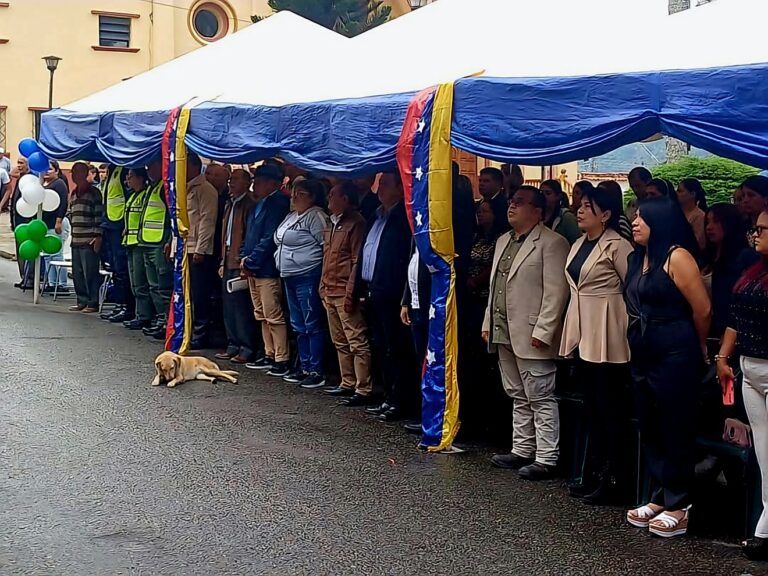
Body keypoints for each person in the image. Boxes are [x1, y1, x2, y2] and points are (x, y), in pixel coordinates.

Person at [624, 197, 711, 538]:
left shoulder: (677, 256)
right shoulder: (637, 258)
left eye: (642, 218)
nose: (635, 222)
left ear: (660, 221)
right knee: (650, 423)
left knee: (676, 425)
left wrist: (699, 345)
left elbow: (702, 309)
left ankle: (680, 503)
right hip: (643, 348)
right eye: (635, 216)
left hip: (675, 347)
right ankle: (660, 494)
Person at [484, 185, 570, 480]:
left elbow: (556, 292)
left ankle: (546, 456)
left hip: (532, 330)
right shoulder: (503, 240)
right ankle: (522, 448)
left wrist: (544, 330)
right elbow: (495, 288)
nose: (512, 206)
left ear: (538, 211)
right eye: (512, 201)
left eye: (520, 202)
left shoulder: (552, 243)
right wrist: (487, 323)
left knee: (540, 395)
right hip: (504, 328)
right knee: (517, 393)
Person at [560, 185, 634, 504]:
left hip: (608, 329)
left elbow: (631, 288)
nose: (580, 210)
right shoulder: (578, 243)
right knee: (591, 405)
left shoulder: (618, 245)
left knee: (610, 407)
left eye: (588, 206)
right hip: (582, 327)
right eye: (580, 205)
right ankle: (593, 470)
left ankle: (616, 477)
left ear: (605, 214)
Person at [716, 210, 768, 559]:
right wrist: (722, 357)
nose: (755, 233)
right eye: (755, 228)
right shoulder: (753, 270)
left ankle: (763, 530)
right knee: (763, 453)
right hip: (749, 370)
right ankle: (764, 527)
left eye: (762, 228)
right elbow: (735, 318)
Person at [358, 171, 417, 422]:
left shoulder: (403, 218)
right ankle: (387, 396)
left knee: (397, 348)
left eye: (386, 184)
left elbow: (401, 258)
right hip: (373, 289)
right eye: (379, 183)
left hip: (392, 292)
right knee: (381, 347)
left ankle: (400, 400)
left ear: (400, 189)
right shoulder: (376, 215)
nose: (380, 188)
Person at [320, 181, 373, 406]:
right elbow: (326, 256)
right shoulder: (331, 222)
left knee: (356, 340)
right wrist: (322, 286)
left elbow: (355, 260)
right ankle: (347, 381)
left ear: (345, 199)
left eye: (333, 195)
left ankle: (363, 387)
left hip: (343, 289)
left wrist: (351, 292)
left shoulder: (356, 223)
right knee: (340, 340)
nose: (329, 199)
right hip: (329, 288)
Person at [274, 178, 330, 389]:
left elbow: (326, 246)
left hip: (308, 275)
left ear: (313, 197)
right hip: (289, 275)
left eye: (301, 194)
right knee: (298, 323)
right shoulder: (291, 216)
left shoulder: (316, 216)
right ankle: (304, 365)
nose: (295, 197)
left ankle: (316, 369)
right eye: (294, 193)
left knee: (311, 322)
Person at [241, 164, 291, 373]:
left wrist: (251, 260)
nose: (255, 186)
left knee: (272, 314)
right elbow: (250, 235)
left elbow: (270, 238)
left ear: (272, 183)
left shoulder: (277, 203)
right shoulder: (259, 203)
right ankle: (269, 352)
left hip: (267, 268)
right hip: (254, 267)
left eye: (259, 182)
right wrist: (245, 257)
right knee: (261, 313)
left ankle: (281, 357)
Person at [218, 169, 258, 363]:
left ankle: (246, 347)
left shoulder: (249, 204)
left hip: (238, 259)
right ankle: (232, 344)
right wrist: (222, 260)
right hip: (227, 258)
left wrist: (242, 258)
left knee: (241, 307)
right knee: (228, 306)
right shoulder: (230, 203)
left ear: (247, 183)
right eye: (230, 179)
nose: (230, 183)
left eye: (235, 179)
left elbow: (248, 235)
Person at [703, 203, 759, 338]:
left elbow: (747, 302)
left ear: (730, 223)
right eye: (707, 222)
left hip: (733, 330)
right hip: (710, 327)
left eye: (716, 221)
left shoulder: (745, 257)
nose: (709, 227)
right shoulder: (705, 256)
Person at [186, 153, 220, 349]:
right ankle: (188, 330)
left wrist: (201, 249)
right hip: (185, 247)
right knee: (188, 293)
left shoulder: (205, 189)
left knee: (200, 294)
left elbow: (207, 221)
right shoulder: (186, 187)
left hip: (198, 250)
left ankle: (200, 333)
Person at [139, 161, 174, 341]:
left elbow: (171, 216)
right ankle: (160, 320)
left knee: (163, 286)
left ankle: (166, 322)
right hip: (147, 241)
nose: (148, 171)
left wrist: (169, 240)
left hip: (160, 242)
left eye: (151, 167)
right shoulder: (152, 187)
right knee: (153, 285)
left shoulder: (164, 188)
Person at [100, 165, 135, 324]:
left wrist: (125, 224)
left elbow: (128, 197)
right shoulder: (114, 168)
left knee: (121, 269)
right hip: (110, 223)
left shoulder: (123, 168)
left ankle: (126, 306)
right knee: (115, 268)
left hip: (118, 224)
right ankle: (119, 304)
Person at [68, 162, 104, 313]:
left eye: (79, 172)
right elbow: (71, 214)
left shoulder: (94, 193)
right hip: (76, 239)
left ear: (85, 174)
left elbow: (99, 216)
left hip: (89, 239)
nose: (75, 175)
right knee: (77, 273)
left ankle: (92, 302)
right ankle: (81, 300)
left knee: (90, 273)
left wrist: (98, 236)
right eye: (73, 172)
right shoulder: (74, 193)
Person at [122, 168, 154, 331]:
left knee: (142, 283)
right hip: (131, 242)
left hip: (142, 242)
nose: (128, 180)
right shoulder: (133, 195)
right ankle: (139, 314)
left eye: (131, 177)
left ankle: (145, 316)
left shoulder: (145, 194)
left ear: (141, 178)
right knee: (136, 283)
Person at [42, 161, 70, 294]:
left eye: (50, 169)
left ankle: (62, 284)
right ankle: (52, 283)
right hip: (46, 224)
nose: (47, 171)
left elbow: (63, 203)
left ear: (57, 171)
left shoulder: (59, 184)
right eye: (45, 169)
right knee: (48, 256)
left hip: (56, 223)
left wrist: (59, 221)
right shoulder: (43, 184)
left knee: (57, 255)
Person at [541, 179, 581, 245]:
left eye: (548, 193)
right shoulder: (536, 216)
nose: (543, 196)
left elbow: (577, 243)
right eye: (541, 193)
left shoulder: (567, 217)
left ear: (558, 196)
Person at [676, 178, 708, 251]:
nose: (676, 193)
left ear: (692, 194)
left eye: (680, 191)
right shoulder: (676, 212)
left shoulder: (699, 216)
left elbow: (699, 244)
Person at [478, 167, 509, 233]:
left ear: (498, 183)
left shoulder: (504, 205)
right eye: (480, 180)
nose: (481, 184)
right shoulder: (477, 204)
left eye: (486, 181)